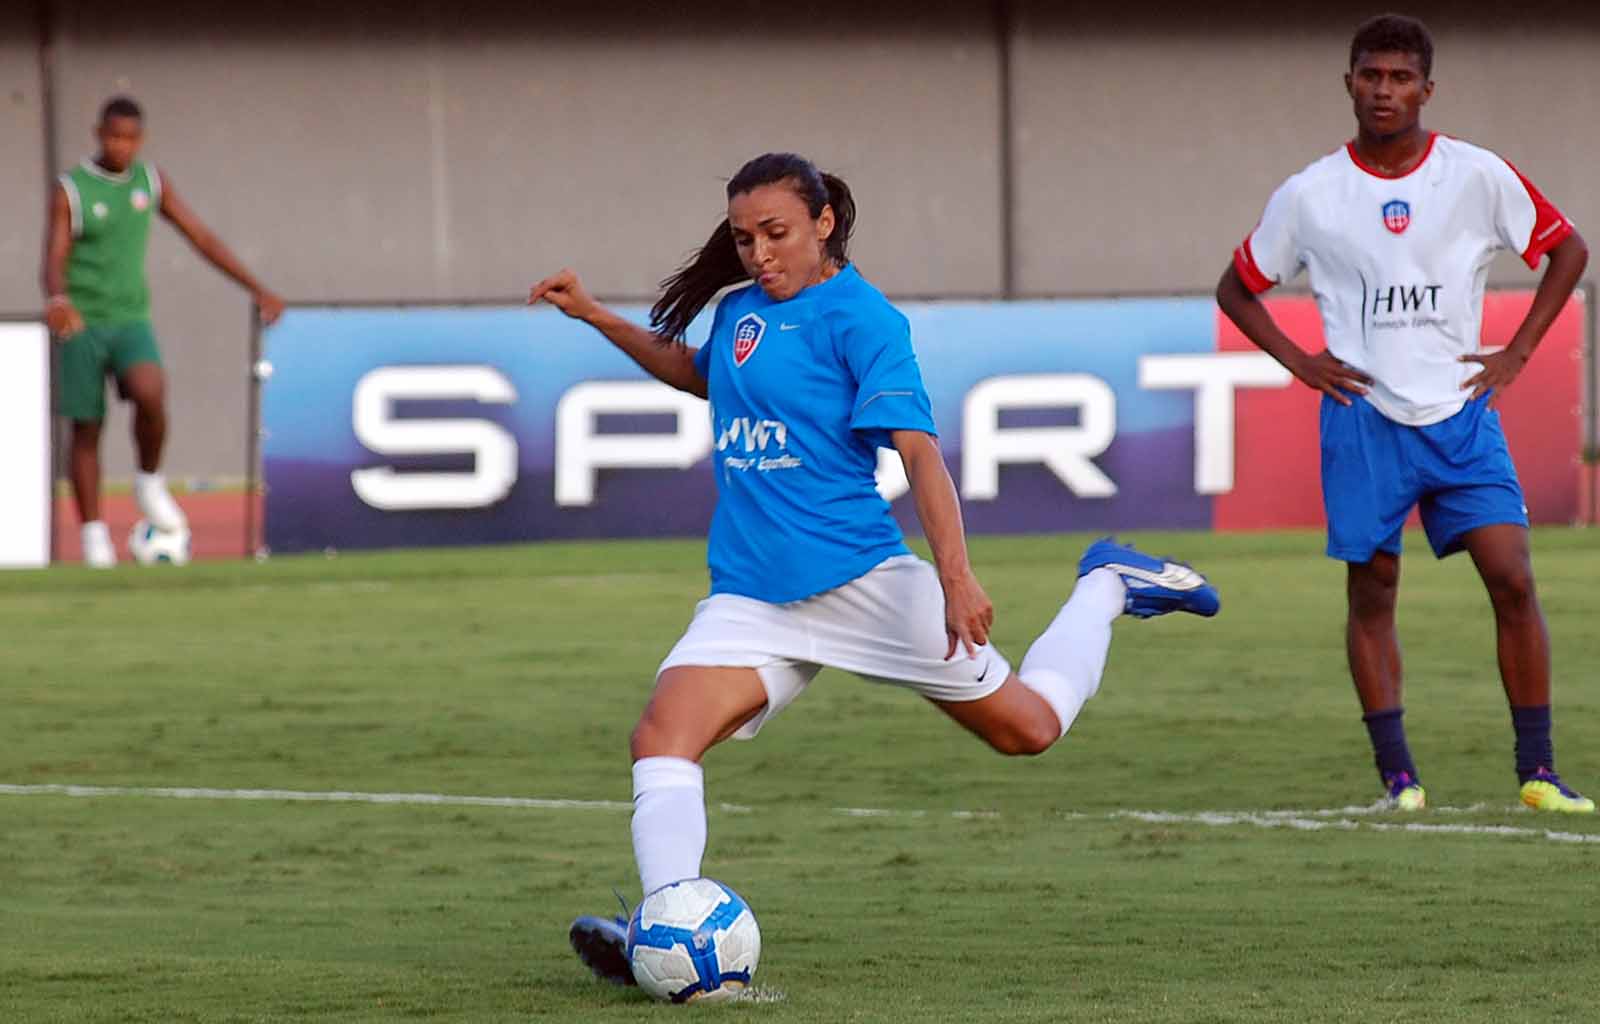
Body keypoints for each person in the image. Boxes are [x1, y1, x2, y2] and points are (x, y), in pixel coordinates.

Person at [529, 152, 1221, 986]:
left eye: (775, 234)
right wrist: (596, 315)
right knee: (661, 738)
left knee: (1030, 729)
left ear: (823, 223)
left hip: (864, 583)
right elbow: (699, 375)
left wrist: (956, 578)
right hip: (752, 595)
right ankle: (671, 925)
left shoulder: (865, 321)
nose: (758, 255)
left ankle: (1107, 581)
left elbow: (921, 454)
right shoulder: (742, 313)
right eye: (745, 239)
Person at [1216, 15, 1591, 812]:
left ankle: (1538, 772)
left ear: (1427, 87)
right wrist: (1300, 361)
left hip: (1460, 412)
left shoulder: (1476, 174)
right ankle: (1400, 779)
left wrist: (1519, 351)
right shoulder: (1311, 194)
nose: (1384, 90)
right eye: (1370, 75)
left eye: (1399, 77)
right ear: (1348, 82)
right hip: (1362, 416)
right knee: (1374, 590)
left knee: (1513, 577)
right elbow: (1237, 287)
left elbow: (1568, 249)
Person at [41, 95, 285, 567]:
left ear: (141, 139)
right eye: (113, 136)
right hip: (83, 322)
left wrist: (258, 288)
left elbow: (201, 237)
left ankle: (148, 481)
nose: (121, 146)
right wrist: (58, 299)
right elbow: (53, 257)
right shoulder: (72, 188)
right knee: (87, 428)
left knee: (151, 391)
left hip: (131, 318)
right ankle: (94, 540)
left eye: (130, 138)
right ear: (98, 134)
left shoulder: (149, 182)